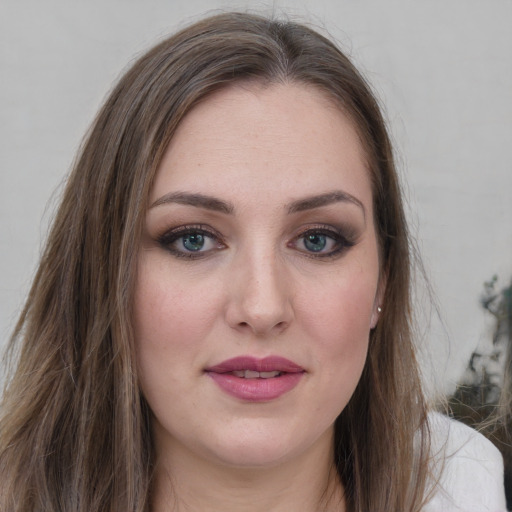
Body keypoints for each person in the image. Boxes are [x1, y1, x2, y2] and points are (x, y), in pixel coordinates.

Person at [0, 11, 506, 512]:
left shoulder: (464, 486)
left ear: (383, 284)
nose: (262, 308)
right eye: (193, 240)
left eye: (317, 241)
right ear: (103, 272)